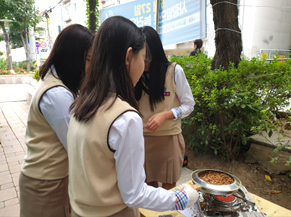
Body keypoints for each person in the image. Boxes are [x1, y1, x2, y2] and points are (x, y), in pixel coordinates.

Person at [67, 16, 200, 217]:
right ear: (129, 56)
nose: (145, 64)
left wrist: (166, 115)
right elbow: (135, 194)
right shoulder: (125, 119)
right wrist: (180, 199)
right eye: (143, 56)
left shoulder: (81, 103)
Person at [19, 24, 94, 217]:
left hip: (51, 179)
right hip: (46, 184)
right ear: (72, 58)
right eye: (88, 60)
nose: (90, 68)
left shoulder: (59, 83)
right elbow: (75, 143)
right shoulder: (57, 94)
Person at [135, 26, 195, 190]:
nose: (144, 64)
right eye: (140, 58)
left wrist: (166, 115)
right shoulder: (133, 74)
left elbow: (189, 105)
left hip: (169, 138)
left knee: (170, 187)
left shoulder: (174, 71)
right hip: (141, 138)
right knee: (148, 185)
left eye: (147, 58)